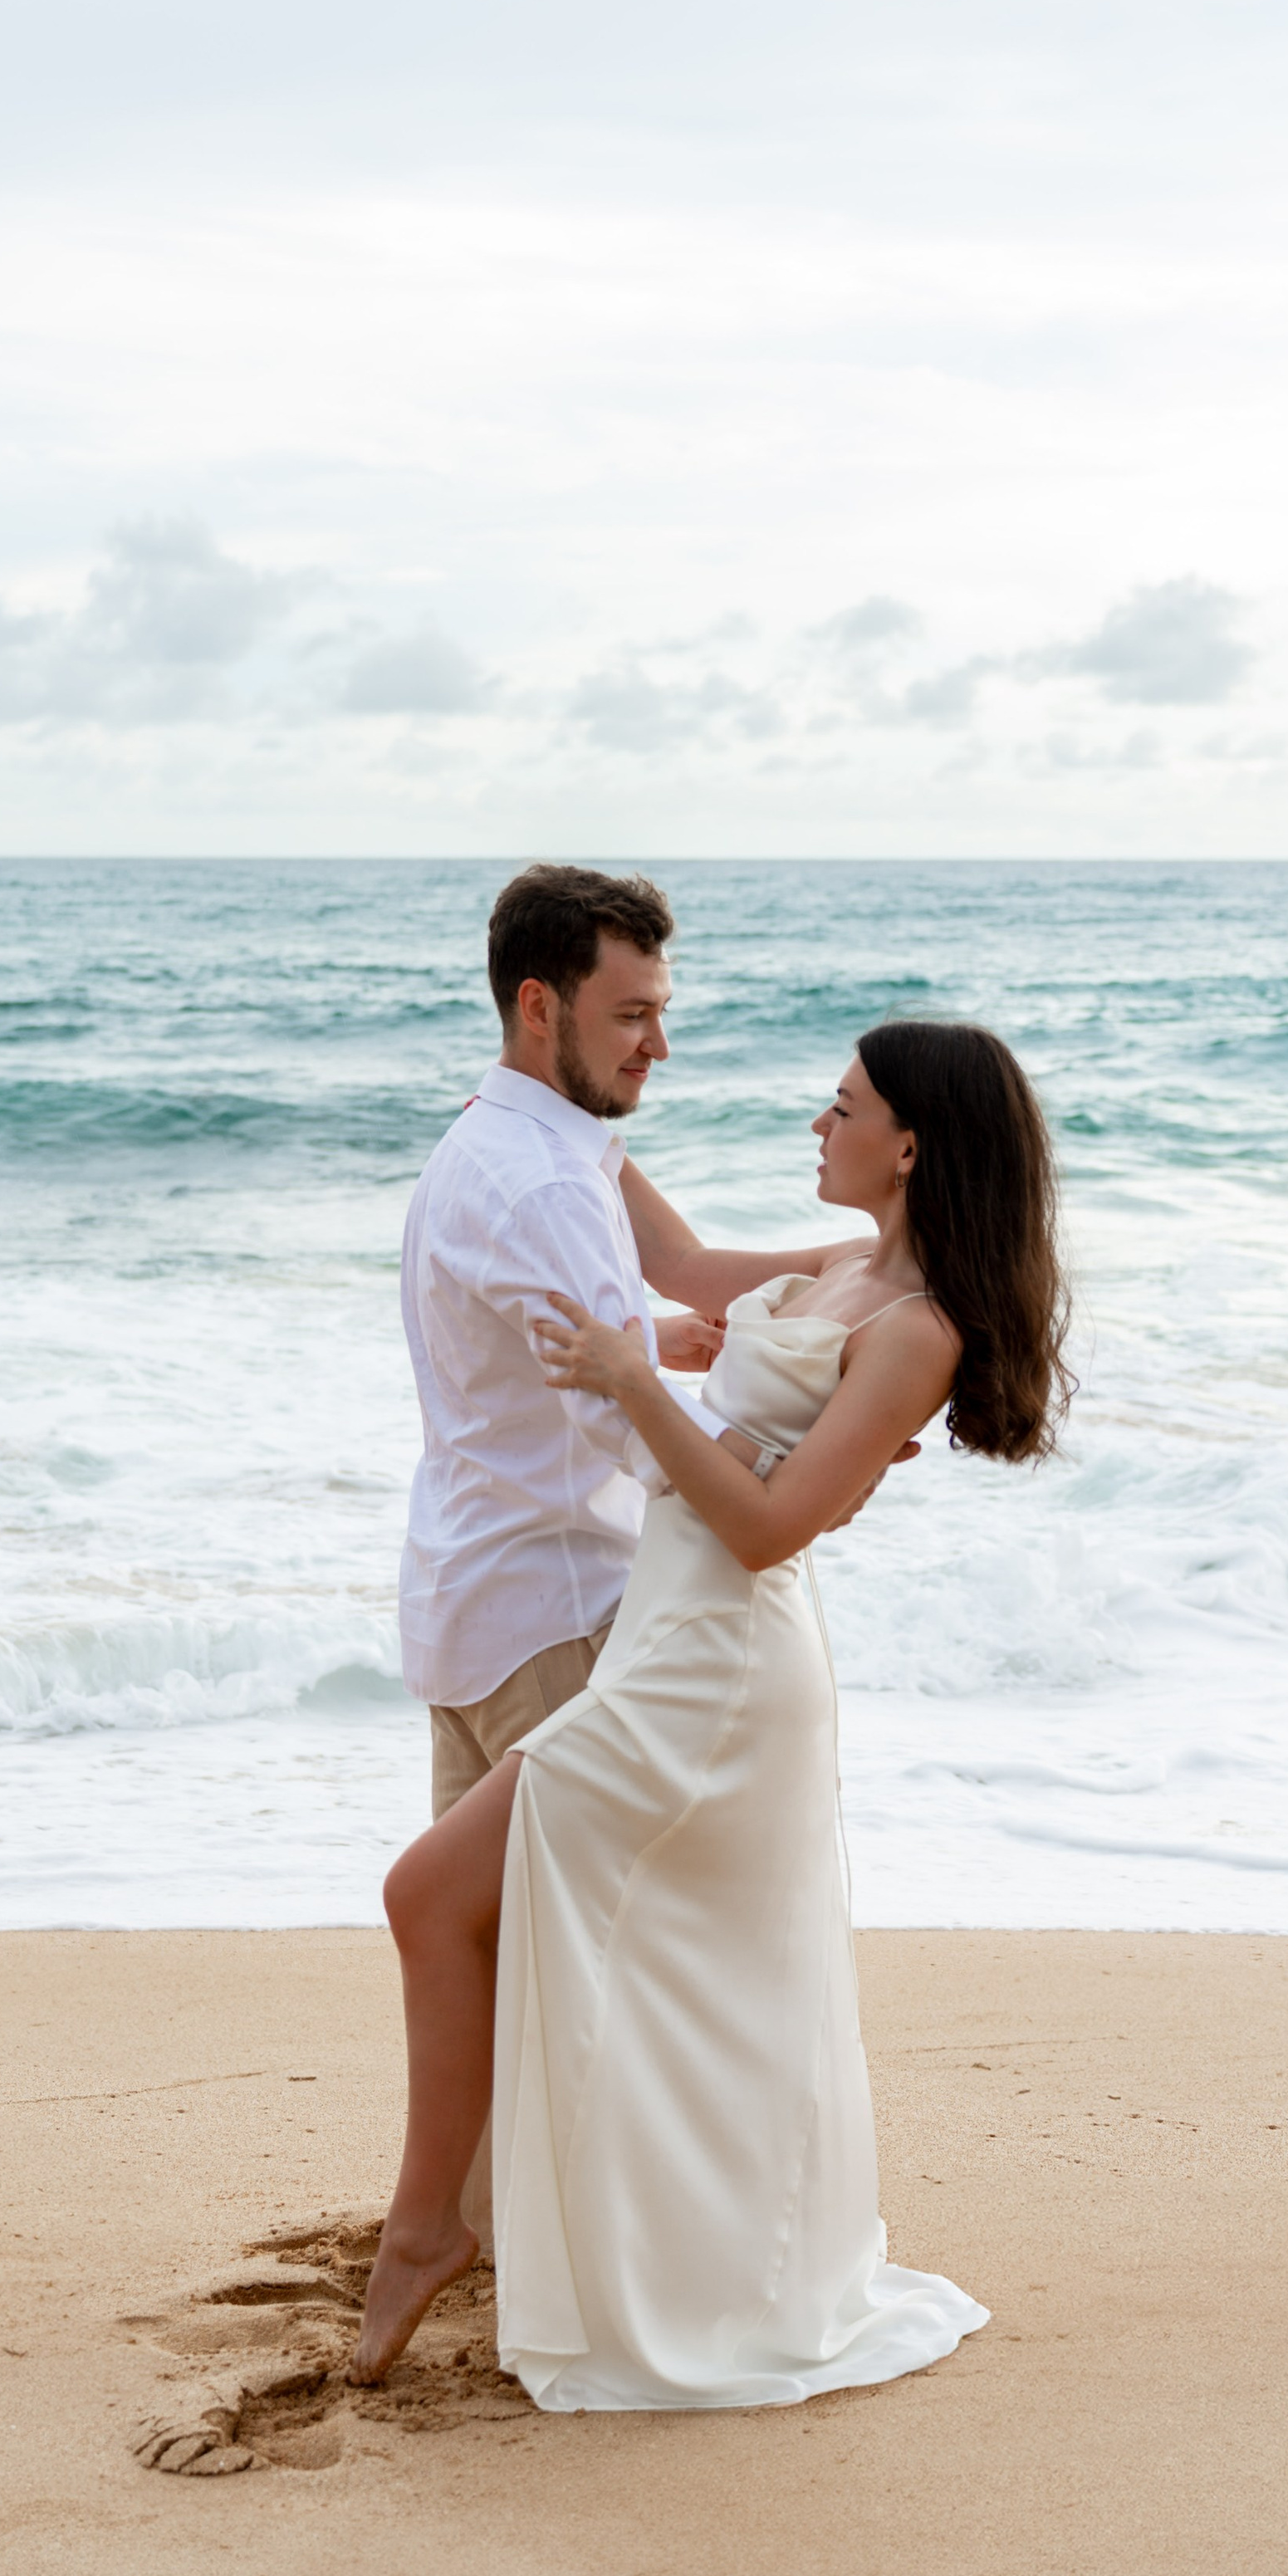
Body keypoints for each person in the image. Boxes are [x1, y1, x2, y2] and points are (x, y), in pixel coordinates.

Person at [352, 1016, 1071, 2404]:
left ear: (909, 1144)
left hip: (721, 1671)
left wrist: (640, 1384)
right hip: (664, 1645)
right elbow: (673, 1265)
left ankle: (424, 2228)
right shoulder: (838, 1271)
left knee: (431, 1893)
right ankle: (522, 2225)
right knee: (617, 1960)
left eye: (844, 1103)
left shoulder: (917, 1330)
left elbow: (766, 1529)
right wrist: (529, 1101)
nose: (819, 1120)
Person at [394, 863, 861, 2249]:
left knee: (507, 1959)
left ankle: (495, 2242)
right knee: (609, 1974)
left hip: (478, 1599)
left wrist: (892, 1259)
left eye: (663, 1009)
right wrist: (814, 1447)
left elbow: (688, 1283)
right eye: (633, 1014)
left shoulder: (519, 1140)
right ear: (542, 1006)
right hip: (562, 1609)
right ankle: (602, 2272)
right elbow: (647, 1444)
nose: (660, 1042)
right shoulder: (543, 1183)